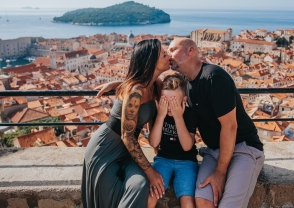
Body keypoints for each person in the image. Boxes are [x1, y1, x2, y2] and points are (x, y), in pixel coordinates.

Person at [168, 38, 264, 208]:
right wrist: (123, 84)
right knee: (203, 202)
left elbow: (230, 126)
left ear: (191, 51)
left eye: (173, 49)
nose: (169, 54)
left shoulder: (214, 77)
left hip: (243, 147)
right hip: (214, 151)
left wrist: (220, 172)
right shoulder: (186, 83)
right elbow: (156, 83)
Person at [81, 39, 170, 208]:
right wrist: (151, 172)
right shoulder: (136, 92)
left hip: (127, 152)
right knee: (113, 195)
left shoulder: (156, 86)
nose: (167, 54)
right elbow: (127, 136)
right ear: (150, 60)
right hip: (106, 150)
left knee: (140, 185)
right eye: (163, 53)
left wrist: (117, 84)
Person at [147, 74, 198, 208]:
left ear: (184, 100)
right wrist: (160, 116)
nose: (169, 106)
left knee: (188, 202)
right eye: (165, 101)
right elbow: (153, 143)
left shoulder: (190, 114)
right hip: (164, 158)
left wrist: (178, 117)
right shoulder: (159, 113)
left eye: (174, 101)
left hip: (187, 161)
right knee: (150, 196)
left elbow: (187, 146)